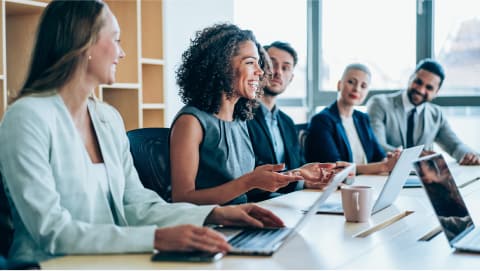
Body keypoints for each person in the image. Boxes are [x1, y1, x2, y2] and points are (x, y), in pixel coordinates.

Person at [0, 1, 284, 263]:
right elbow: (50, 230)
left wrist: (216, 213)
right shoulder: (27, 118)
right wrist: (156, 238)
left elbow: (137, 205)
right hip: (48, 264)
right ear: (83, 43)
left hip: (113, 260)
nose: (122, 53)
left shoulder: (107, 118)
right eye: (116, 40)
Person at [169, 24, 335, 206]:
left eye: (258, 63)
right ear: (221, 65)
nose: (261, 71)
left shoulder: (240, 120)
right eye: (250, 62)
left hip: (242, 217)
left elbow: (250, 187)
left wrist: (297, 174)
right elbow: (182, 198)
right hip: (212, 227)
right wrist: (249, 181)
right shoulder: (191, 122)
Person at [246, 41, 344, 201]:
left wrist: (309, 182)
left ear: (290, 78)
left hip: (288, 200)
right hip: (258, 202)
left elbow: (298, 166)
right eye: (271, 64)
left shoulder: (287, 122)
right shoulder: (243, 116)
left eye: (285, 68)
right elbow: (248, 174)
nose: (277, 72)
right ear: (259, 68)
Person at [367, 58, 480, 165]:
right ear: (410, 78)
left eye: (429, 88)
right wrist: (416, 155)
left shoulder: (436, 114)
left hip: (423, 179)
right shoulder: (379, 104)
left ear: (436, 92)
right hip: (384, 175)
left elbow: (454, 146)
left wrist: (470, 155)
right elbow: (377, 145)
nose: (421, 90)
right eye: (418, 82)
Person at [305, 63, 400, 175]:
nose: (356, 89)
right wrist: (383, 166)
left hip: (366, 182)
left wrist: (390, 159)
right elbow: (335, 168)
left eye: (363, 86)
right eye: (351, 82)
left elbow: (378, 156)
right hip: (338, 187)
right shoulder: (321, 120)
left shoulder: (362, 118)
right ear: (339, 85)